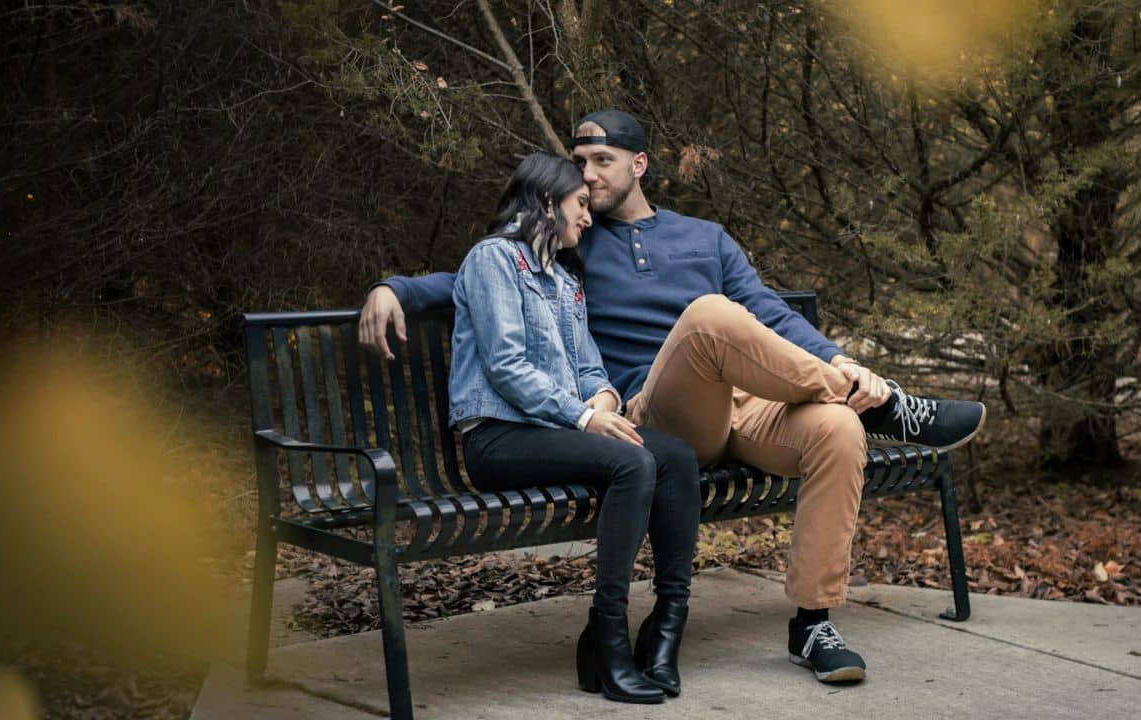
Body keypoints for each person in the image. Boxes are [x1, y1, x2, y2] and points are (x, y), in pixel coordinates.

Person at [360, 111, 986, 685]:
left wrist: (840, 358)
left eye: (602, 160)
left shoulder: (705, 237)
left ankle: (812, 624)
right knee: (710, 316)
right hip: (658, 414)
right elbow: (480, 277)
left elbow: (768, 310)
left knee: (836, 432)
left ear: (639, 165)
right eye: (579, 162)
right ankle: (884, 407)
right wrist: (394, 288)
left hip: (742, 406)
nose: (588, 174)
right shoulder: (573, 241)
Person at [444, 152, 700, 704]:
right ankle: (607, 637)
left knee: (675, 456)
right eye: (579, 204)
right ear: (545, 202)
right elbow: (506, 366)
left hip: (556, 432)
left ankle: (666, 625)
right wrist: (586, 418)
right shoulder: (493, 260)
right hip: (500, 438)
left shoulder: (564, 280)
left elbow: (588, 367)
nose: (587, 217)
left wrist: (604, 399)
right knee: (632, 461)